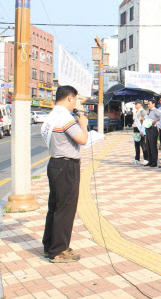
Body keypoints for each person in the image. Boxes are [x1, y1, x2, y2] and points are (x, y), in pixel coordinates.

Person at [42, 86, 89, 263]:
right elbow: (82, 139)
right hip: (66, 166)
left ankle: (50, 245)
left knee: (55, 207)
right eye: (75, 99)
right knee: (66, 207)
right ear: (69, 98)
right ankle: (59, 250)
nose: (75, 103)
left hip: (55, 163)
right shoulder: (64, 117)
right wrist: (83, 125)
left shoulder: (52, 115)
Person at [132, 100, 148, 165]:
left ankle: (146, 159)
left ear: (140, 104)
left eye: (136, 104)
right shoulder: (136, 111)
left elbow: (144, 121)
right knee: (136, 144)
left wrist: (142, 130)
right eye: (135, 104)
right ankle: (137, 159)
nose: (135, 105)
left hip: (141, 129)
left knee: (143, 144)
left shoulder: (142, 111)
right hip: (136, 128)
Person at [145, 99, 161, 167]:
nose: (148, 105)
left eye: (149, 104)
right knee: (148, 145)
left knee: (152, 145)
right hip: (148, 128)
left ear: (153, 104)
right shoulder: (149, 111)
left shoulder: (155, 110)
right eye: (148, 104)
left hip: (153, 128)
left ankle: (154, 161)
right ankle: (150, 160)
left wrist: (155, 121)